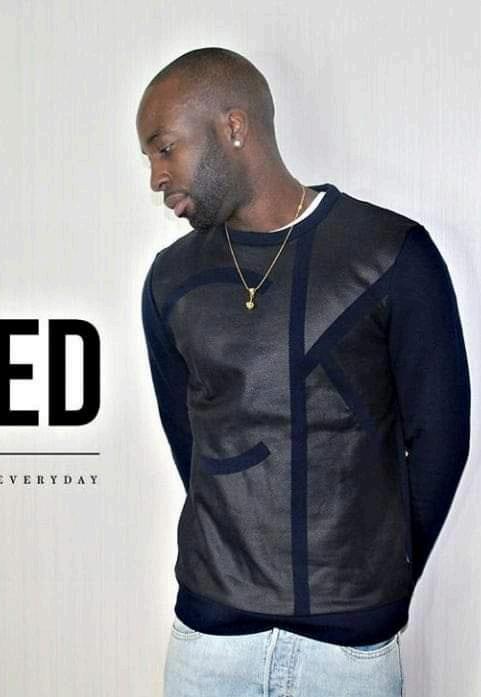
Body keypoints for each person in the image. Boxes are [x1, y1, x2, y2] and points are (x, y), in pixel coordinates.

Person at [137, 47, 471, 697]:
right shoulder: (171, 280)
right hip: (208, 641)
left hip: (347, 651)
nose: (155, 176)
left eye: (164, 148)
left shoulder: (389, 254)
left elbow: (440, 437)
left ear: (233, 127)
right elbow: (191, 444)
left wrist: (383, 579)